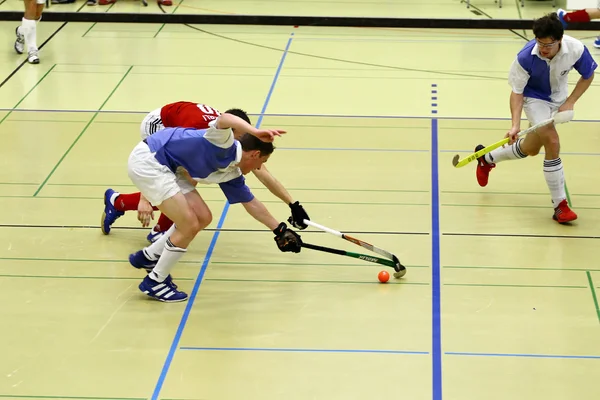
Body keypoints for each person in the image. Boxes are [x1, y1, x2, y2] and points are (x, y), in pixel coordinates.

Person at [126, 112, 302, 302]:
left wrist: (279, 230)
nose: (259, 168)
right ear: (255, 154)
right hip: (150, 161)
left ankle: (147, 256)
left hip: (171, 167)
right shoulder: (224, 143)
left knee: (203, 217)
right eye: (262, 162)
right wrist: (255, 131)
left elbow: (251, 203)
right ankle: (155, 281)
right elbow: (225, 118)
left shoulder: (232, 172)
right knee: (189, 223)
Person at [101, 101, 310, 242]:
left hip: (177, 135)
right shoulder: (202, 129)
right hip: (157, 126)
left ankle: (119, 203)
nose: (240, 142)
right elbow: (155, 160)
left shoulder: (236, 134)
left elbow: (259, 168)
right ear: (233, 131)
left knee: (187, 181)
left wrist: (292, 204)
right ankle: (147, 220)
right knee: (186, 179)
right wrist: (144, 199)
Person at [474, 12, 596, 224]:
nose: (542, 48)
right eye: (539, 43)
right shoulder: (525, 57)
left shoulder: (576, 49)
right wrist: (515, 125)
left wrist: (571, 102)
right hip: (534, 99)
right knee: (552, 140)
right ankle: (560, 206)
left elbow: (588, 75)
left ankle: (487, 159)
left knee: (530, 149)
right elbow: (517, 93)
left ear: (560, 40)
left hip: (559, 98)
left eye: (548, 45)